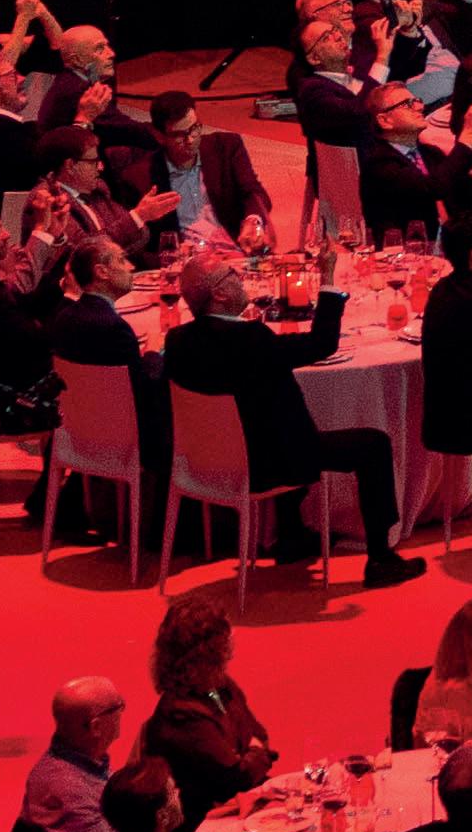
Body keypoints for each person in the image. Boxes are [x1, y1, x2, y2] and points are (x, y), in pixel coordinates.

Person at [156, 247, 421, 586]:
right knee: (373, 445)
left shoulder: (178, 339)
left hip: (200, 464)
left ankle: (292, 535)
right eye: (232, 275)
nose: (240, 279)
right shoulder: (251, 339)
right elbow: (322, 344)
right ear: (219, 294)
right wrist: (327, 278)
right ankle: (381, 560)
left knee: (276, 423)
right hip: (265, 466)